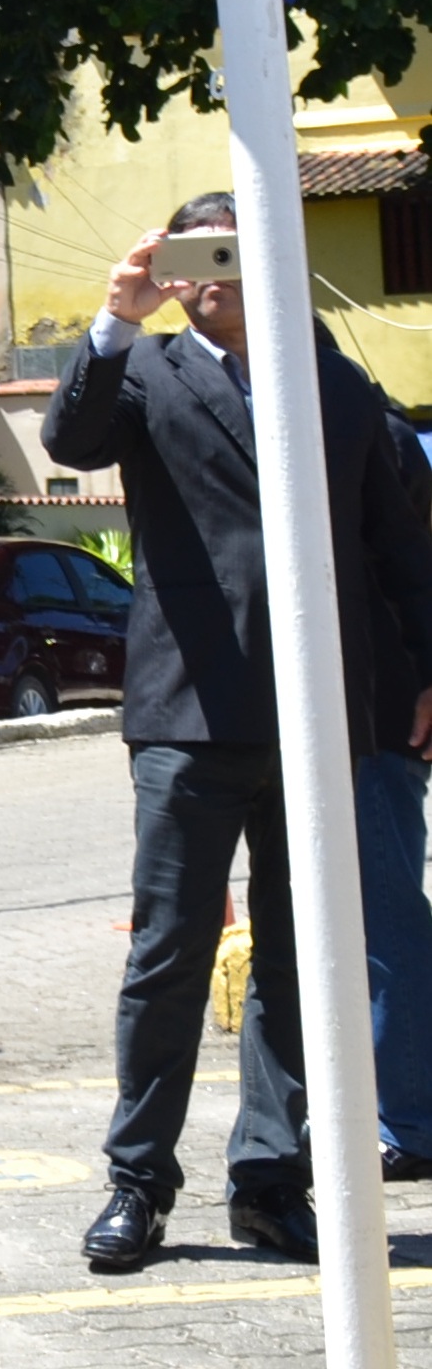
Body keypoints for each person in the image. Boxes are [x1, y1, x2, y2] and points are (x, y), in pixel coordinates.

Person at [42, 193, 432, 1271]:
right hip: (188, 714)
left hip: (319, 719)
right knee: (167, 955)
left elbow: (393, 544)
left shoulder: (331, 385)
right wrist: (115, 320)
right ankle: (136, 1183)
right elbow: (69, 440)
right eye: (192, 258)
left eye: (231, 256)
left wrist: (423, 671)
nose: (211, 276)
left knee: (298, 958)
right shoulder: (148, 375)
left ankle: (269, 1179)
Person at [356, 420, 432, 1178]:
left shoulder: (367, 432)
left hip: (376, 714)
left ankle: (411, 1122)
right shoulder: (389, 432)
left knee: (387, 922)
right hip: (378, 713)